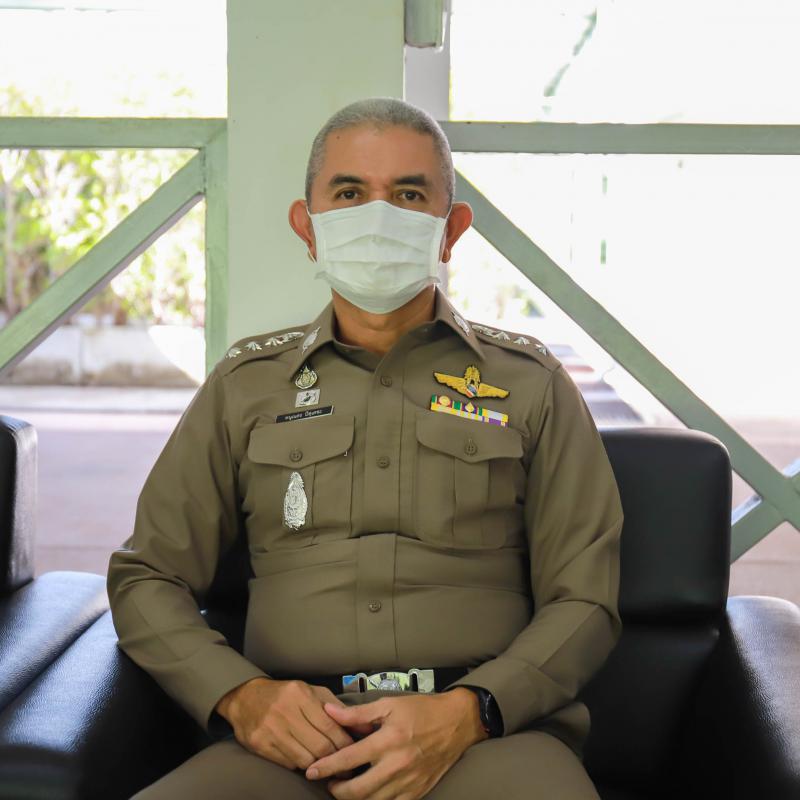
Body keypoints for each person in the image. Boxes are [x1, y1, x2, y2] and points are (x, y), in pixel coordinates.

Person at [107, 96, 623, 800]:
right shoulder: (245, 385)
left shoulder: (531, 385)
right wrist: (241, 696)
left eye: (409, 195)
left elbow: (586, 599)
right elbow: (147, 577)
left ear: (451, 230)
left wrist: (472, 711)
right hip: (285, 746)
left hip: (486, 741)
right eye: (350, 193)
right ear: (308, 226)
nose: (378, 217)